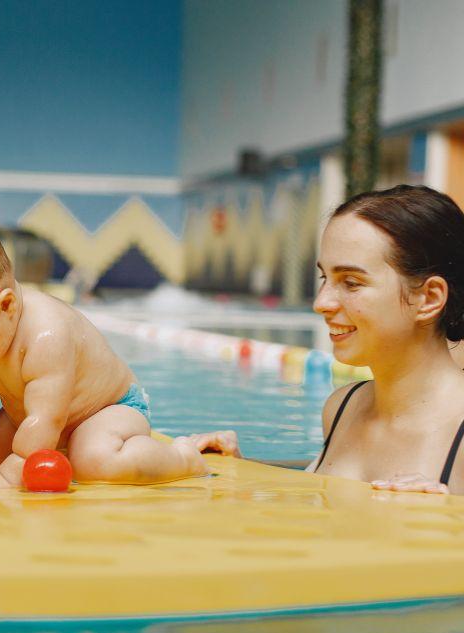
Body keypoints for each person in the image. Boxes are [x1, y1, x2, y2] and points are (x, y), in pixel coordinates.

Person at [0, 218, 207, 489]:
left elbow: (48, 417)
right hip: (33, 420)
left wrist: (10, 476)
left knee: (92, 461)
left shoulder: (46, 335)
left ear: (6, 306)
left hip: (107, 411)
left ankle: (181, 457)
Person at [192, 185, 464, 495]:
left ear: (429, 298)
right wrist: (238, 469)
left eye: (351, 282)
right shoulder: (342, 408)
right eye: (325, 278)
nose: (322, 302)